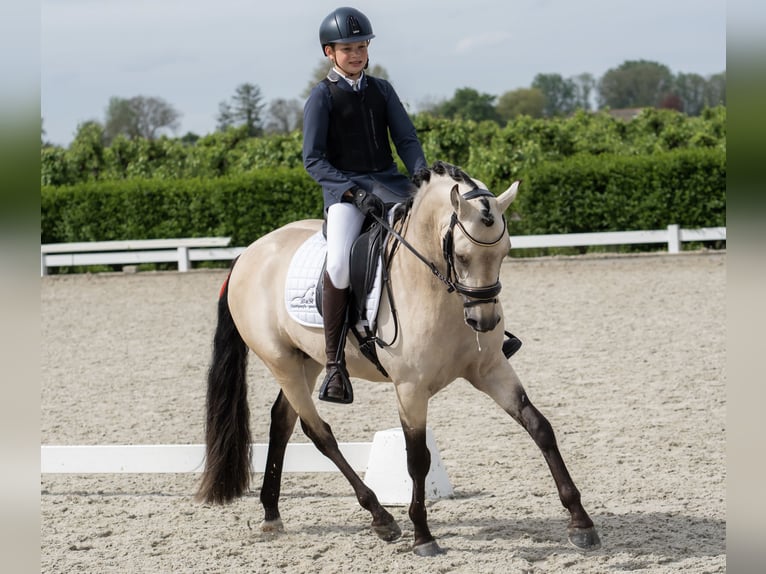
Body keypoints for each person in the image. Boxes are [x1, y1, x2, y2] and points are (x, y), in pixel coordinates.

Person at [303, 7, 521, 405]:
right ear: (329, 52)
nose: (356, 54)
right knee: (338, 262)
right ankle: (335, 365)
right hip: (347, 196)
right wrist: (351, 193)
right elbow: (314, 160)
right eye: (348, 48)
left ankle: (488, 335)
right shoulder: (322, 97)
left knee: (441, 243)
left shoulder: (381, 91)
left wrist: (420, 174)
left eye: (361, 47)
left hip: (390, 186)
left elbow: (406, 140)